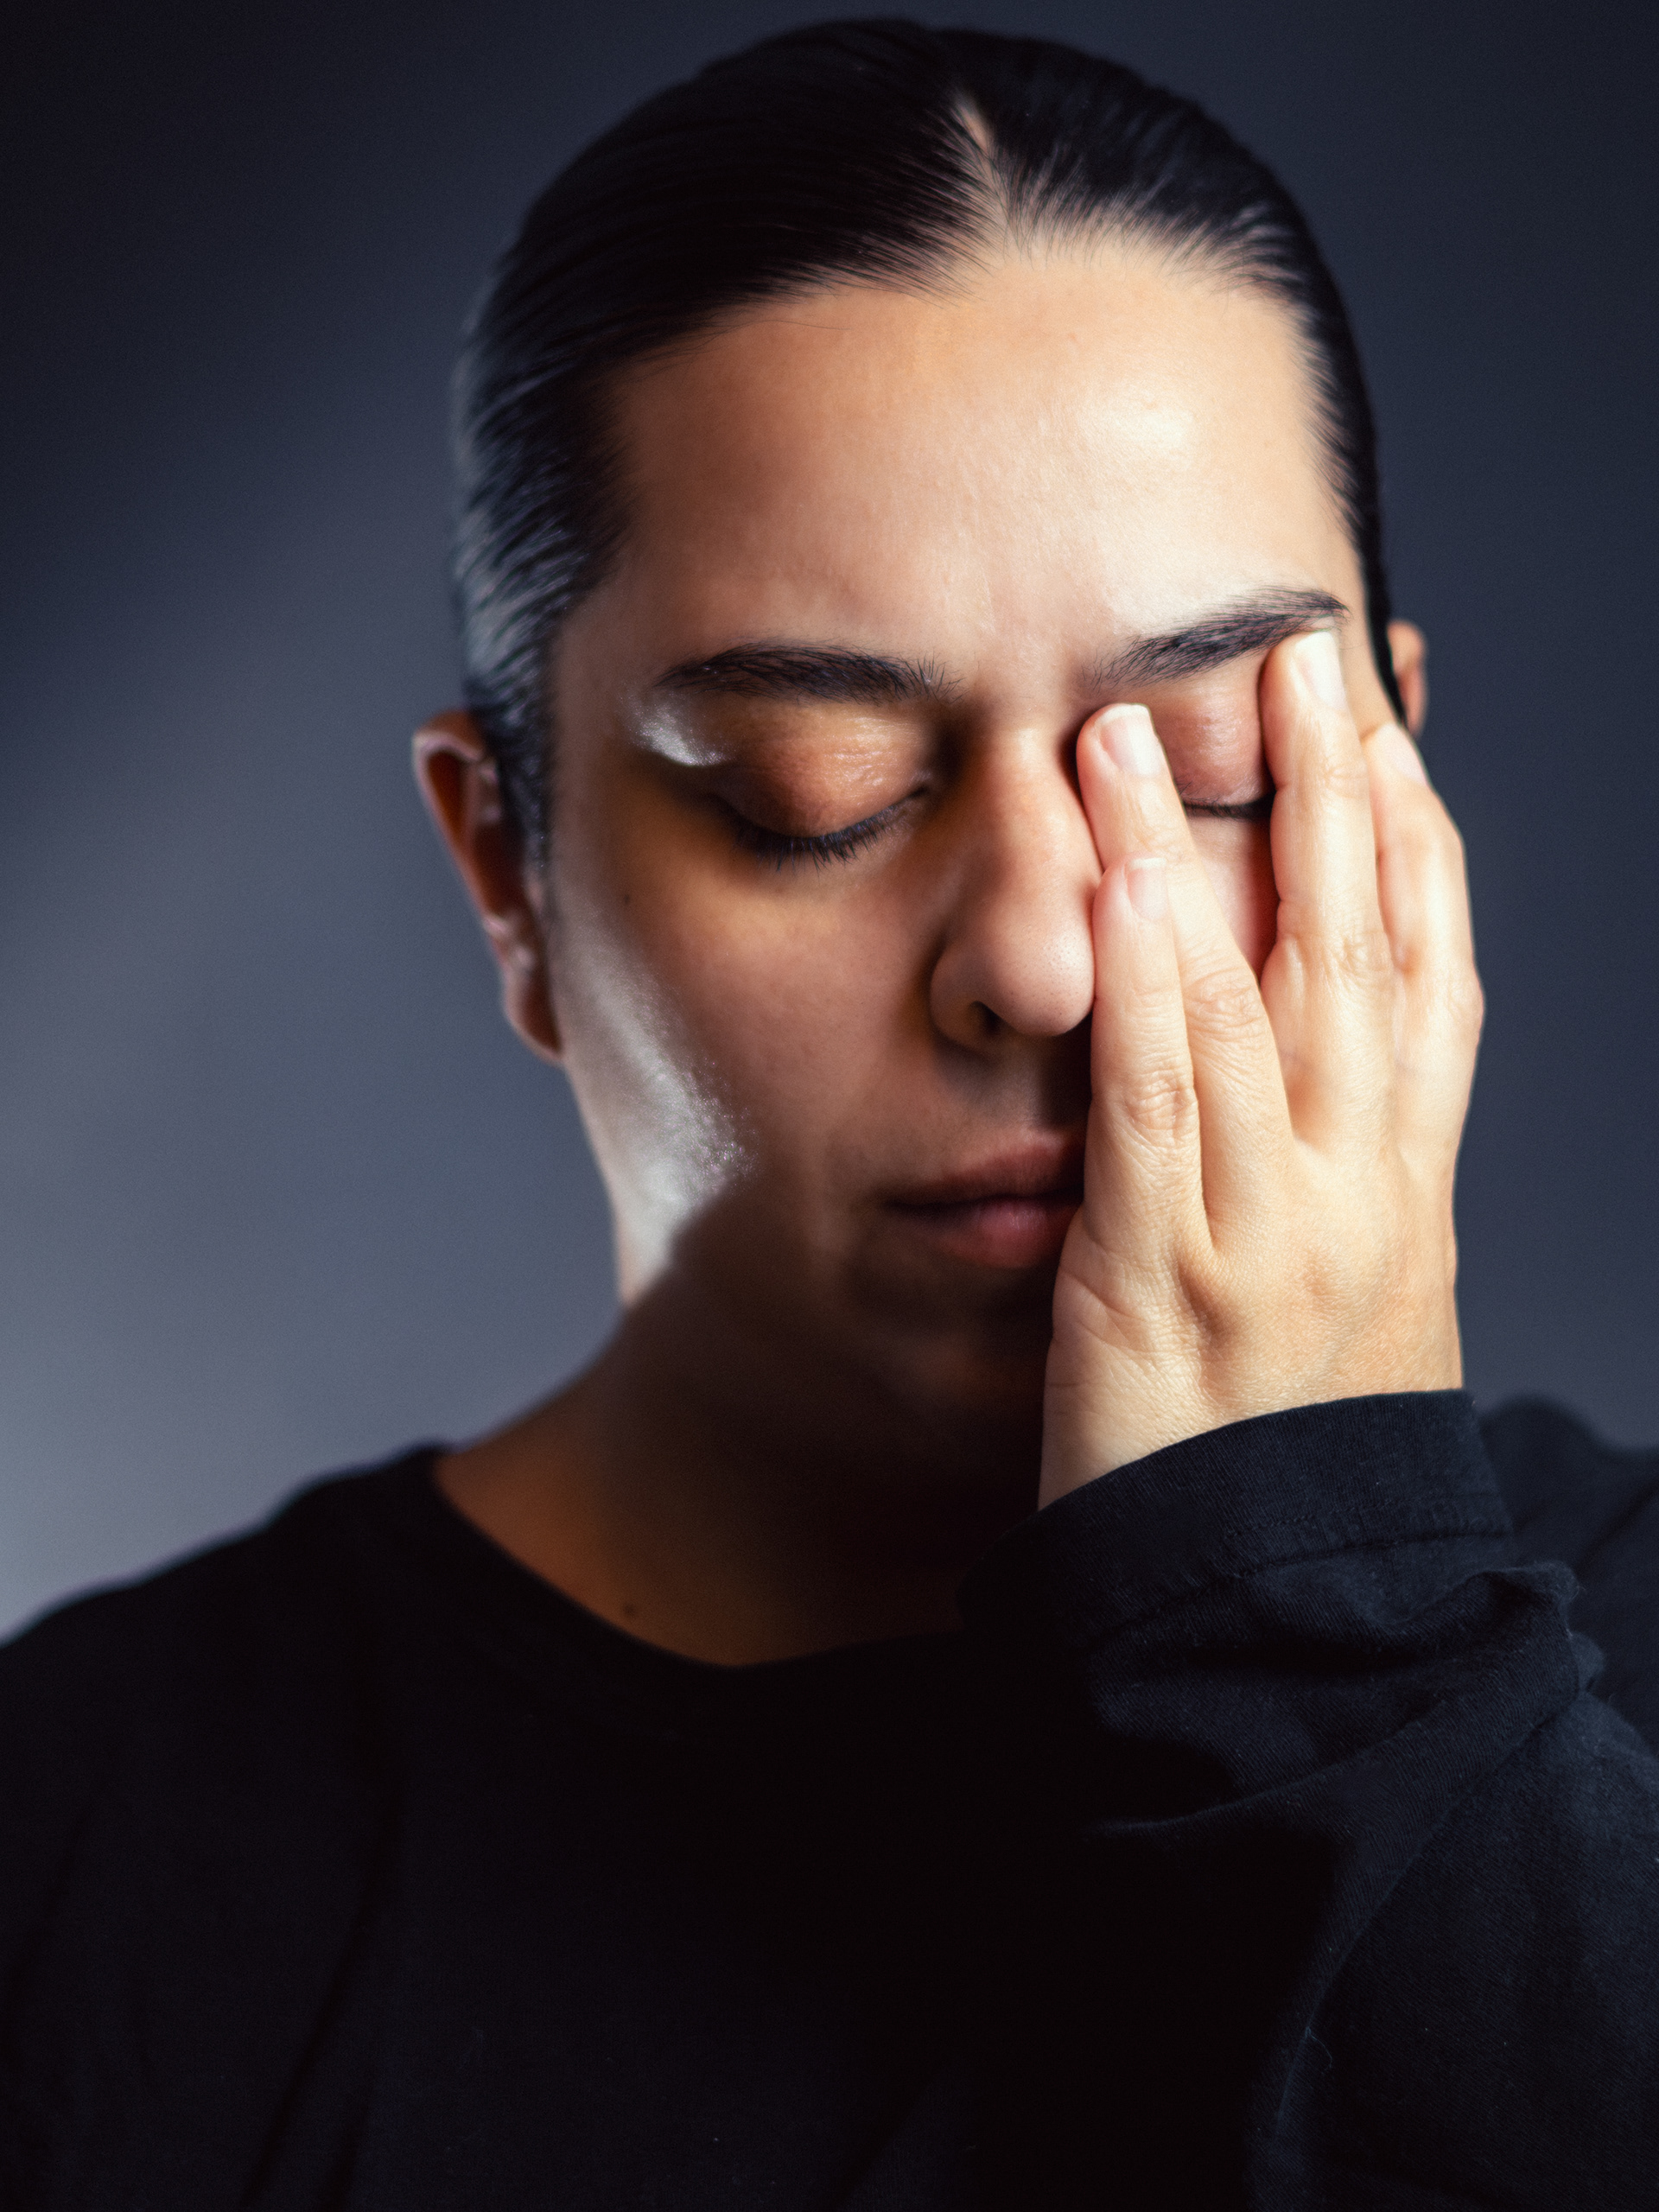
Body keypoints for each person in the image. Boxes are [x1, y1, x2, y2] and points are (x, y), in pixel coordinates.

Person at [3, 20, 1656, 2208]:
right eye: (822, 794)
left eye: (1215, 770)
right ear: (507, 869)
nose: (1047, 958)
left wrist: (1326, 1600)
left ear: (1394, 776)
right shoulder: (79, 1853)